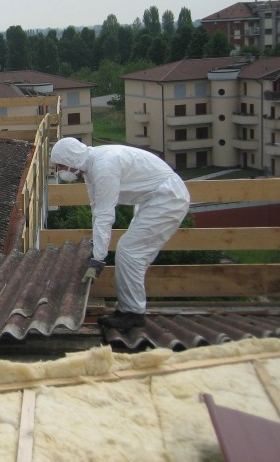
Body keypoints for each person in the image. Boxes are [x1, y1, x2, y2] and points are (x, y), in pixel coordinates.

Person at [49, 137, 190, 331]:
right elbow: (96, 209)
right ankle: (127, 310)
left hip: (167, 198)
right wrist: (97, 250)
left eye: (60, 165)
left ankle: (133, 314)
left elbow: (105, 214)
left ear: (71, 159)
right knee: (130, 253)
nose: (59, 170)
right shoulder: (92, 168)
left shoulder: (103, 166)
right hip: (155, 198)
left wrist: (98, 259)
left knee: (130, 252)